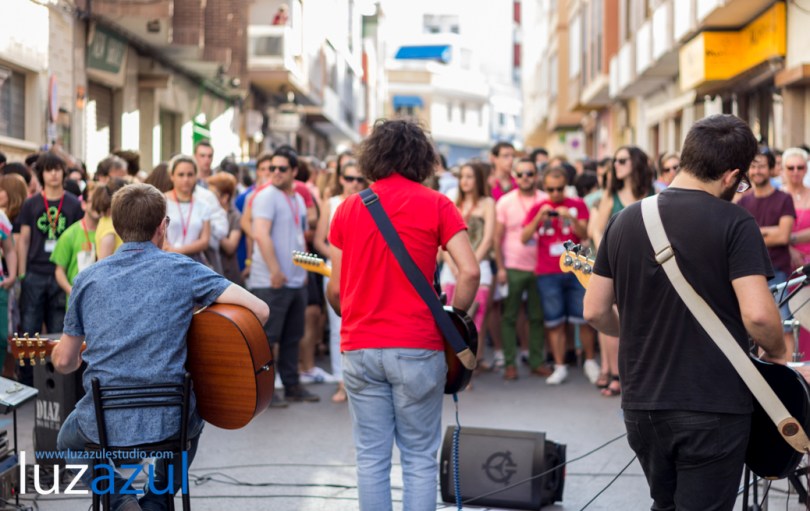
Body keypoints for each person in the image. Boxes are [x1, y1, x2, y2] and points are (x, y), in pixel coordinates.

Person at [583, 114, 785, 511]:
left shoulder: (624, 219)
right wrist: (777, 352)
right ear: (731, 176)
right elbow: (759, 316)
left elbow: (594, 310)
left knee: (666, 504)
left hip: (641, 403)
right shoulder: (736, 222)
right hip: (713, 403)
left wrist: (635, 330)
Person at [53, 183, 268, 511]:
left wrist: (69, 354)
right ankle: (157, 501)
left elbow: (65, 362)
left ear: (117, 226)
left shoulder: (88, 279)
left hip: (104, 420)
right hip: (170, 418)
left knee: (67, 444)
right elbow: (260, 311)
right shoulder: (183, 270)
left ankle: (119, 500)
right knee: (192, 423)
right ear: (162, 226)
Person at [326, 119, 479, 511]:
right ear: (422, 158)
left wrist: (357, 310)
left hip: (360, 346)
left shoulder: (348, 208)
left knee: (371, 458)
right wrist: (454, 320)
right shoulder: (438, 204)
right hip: (418, 344)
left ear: (372, 157)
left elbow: (335, 291)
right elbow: (470, 272)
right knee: (419, 458)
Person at [248, 146, 318, 406]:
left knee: (292, 337)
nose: (275, 172)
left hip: (295, 280)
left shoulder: (298, 198)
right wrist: (275, 270)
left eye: (282, 168)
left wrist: (303, 270)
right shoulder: (266, 196)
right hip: (270, 280)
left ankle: (292, 386)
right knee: (267, 340)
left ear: (294, 171)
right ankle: (263, 392)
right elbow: (260, 234)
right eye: (272, 168)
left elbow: (298, 238)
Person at [521, 166, 598, 385]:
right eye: (551, 189)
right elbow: (524, 238)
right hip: (548, 272)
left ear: (566, 186)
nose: (555, 193)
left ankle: (590, 362)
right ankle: (560, 365)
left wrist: (570, 218)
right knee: (554, 321)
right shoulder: (538, 207)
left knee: (584, 318)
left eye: (560, 188)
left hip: (576, 269)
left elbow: (585, 234)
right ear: (544, 188)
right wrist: (539, 217)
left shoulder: (577, 204)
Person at [588, 145, 654, 396]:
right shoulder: (611, 194)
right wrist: (607, 253)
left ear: (636, 163)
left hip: (648, 263)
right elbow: (597, 229)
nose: (616, 164)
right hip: (614, 262)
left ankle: (640, 373)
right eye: (615, 160)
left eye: (622, 160)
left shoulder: (653, 193)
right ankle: (616, 374)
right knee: (611, 313)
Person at [16, 152, 83, 384]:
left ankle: (57, 384)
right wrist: (22, 273)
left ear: (64, 173)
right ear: (41, 174)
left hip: (61, 274)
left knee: (59, 329)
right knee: (29, 330)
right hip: (34, 272)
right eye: (48, 169)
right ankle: (27, 381)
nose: (53, 174)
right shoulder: (31, 203)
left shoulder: (74, 204)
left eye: (57, 169)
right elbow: (23, 239)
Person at [313, 161, 368, 402]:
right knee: (337, 328)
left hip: (363, 273)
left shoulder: (371, 203)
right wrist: (338, 258)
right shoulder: (332, 203)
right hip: (335, 271)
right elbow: (319, 240)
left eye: (359, 179)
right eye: (349, 178)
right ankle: (342, 381)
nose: (354, 183)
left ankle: (361, 379)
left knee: (363, 326)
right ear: (341, 179)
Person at [738, 148, 796, 361]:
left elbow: (783, 236)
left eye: (762, 166)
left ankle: (787, 372)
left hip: (778, 271)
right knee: (752, 328)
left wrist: (754, 233)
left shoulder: (784, 199)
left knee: (784, 326)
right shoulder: (743, 202)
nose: (757, 171)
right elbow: (739, 239)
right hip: (750, 274)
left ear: (771, 169)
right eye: (753, 166)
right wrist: (768, 232)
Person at [495, 158, 548, 379]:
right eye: (521, 174)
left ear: (536, 176)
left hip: (541, 267)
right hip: (513, 266)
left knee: (537, 317)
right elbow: (497, 238)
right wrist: (500, 268)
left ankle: (536, 361)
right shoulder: (505, 202)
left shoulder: (545, 200)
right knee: (509, 316)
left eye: (529, 173)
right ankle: (510, 364)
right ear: (514, 177)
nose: (525, 177)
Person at [441, 162, 494, 367]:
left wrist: (469, 263)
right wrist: (453, 265)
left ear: (478, 179)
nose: (464, 181)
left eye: (469, 176)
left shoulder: (487, 203)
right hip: (451, 267)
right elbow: (441, 238)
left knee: (475, 319)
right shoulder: (452, 202)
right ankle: (451, 363)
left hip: (479, 264)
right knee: (450, 317)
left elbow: (487, 239)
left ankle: (470, 364)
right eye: (462, 176)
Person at [164, 155, 214, 265]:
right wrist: (170, 251)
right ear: (172, 176)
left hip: (194, 262)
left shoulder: (203, 205)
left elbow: (204, 241)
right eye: (181, 175)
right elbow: (158, 237)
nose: (186, 179)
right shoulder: (162, 202)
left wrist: (177, 251)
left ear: (196, 176)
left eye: (190, 174)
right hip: (167, 260)